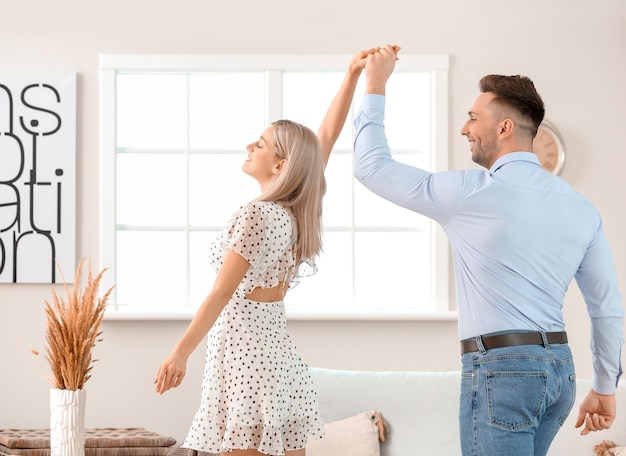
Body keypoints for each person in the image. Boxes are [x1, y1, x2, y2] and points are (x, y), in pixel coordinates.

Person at [353, 45, 624, 456]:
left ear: (504, 128)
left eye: (473, 117)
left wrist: (374, 83)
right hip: (560, 374)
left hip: (503, 371)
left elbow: (370, 167)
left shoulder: (468, 193)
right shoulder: (581, 207)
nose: (465, 128)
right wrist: (604, 387)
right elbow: (606, 307)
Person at [154, 48, 379, 456]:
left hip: (246, 363)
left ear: (280, 165)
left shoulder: (257, 215)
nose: (249, 146)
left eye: (259, 144)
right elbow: (323, 139)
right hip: (279, 362)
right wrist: (351, 75)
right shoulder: (295, 213)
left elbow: (222, 293)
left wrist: (179, 353)